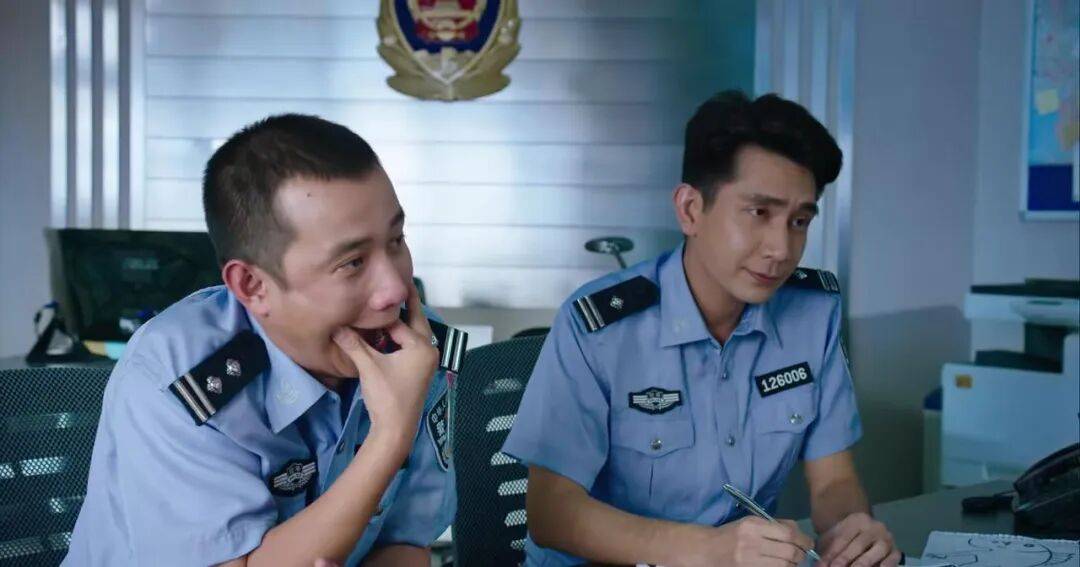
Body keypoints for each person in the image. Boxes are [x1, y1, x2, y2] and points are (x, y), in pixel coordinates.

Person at [502, 90, 900, 567]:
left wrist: (851, 531)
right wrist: (709, 549)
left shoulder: (813, 314)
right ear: (691, 210)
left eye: (799, 221)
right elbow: (551, 512)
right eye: (759, 213)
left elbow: (834, 479)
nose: (781, 248)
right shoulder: (601, 328)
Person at [65, 114, 466, 566]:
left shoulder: (414, 347)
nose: (394, 289)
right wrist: (390, 436)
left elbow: (406, 543)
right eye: (352, 263)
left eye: (396, 240)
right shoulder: (176, 376)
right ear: (253, 286)